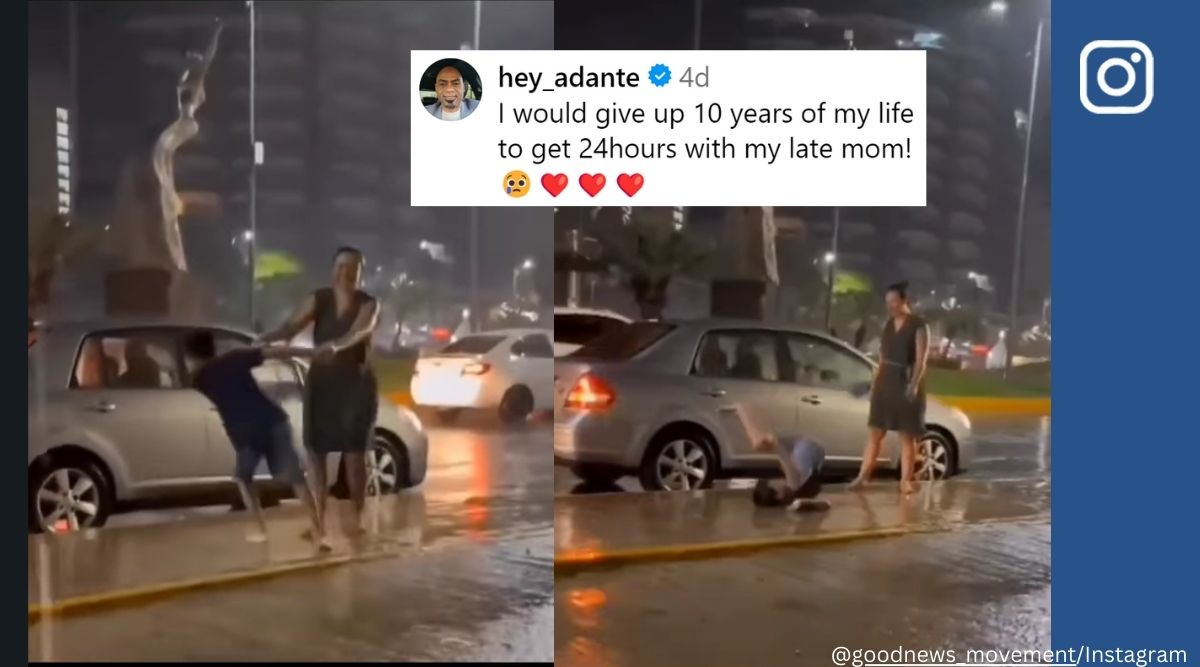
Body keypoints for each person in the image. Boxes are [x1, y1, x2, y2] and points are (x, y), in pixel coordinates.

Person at [259, 247, 381, 536]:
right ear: (332, 269)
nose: (345, 273)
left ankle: (358, 517)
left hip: (355, 385)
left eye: (352, 268)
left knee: (354, 457)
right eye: (340, 267)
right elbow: (289, 327)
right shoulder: (320, 299)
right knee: (316, 454)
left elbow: (359, 332)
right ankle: (319, 523)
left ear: (360, 273)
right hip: (322, 384)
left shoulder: (369, 303)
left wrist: (336, 346)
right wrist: (264, 339)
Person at [184, 331, 328, 548]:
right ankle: (319, 531)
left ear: (191, 356)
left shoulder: (199, 378)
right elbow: (279, 351)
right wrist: (313, 352)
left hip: (246, 433)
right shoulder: (234, 358)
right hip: (273, 421)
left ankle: (260, 530)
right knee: (294, 478)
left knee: (244, 478)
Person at [850, 281, 930, 495]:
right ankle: (863, 476)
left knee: (907, 436)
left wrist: (913, 386)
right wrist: (875, 385)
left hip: (906, 382)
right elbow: (882, 358)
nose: (891, 306)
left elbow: (921, 361)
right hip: (886, 381)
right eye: (888, 302)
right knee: (875, 433)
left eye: (894, 301)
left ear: (905, 300)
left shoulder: (918, 325)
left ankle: (905, 481)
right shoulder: (887, 324)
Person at [732, 405, 829, 512]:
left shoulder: (794, 486)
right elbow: (785, 459)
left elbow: (786, 460)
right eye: (773, 483)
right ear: (778, 495)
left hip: (810, 453)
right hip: (809, 451)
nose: (775, 480)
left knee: (772, 447)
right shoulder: (794, 482)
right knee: (785, 455)